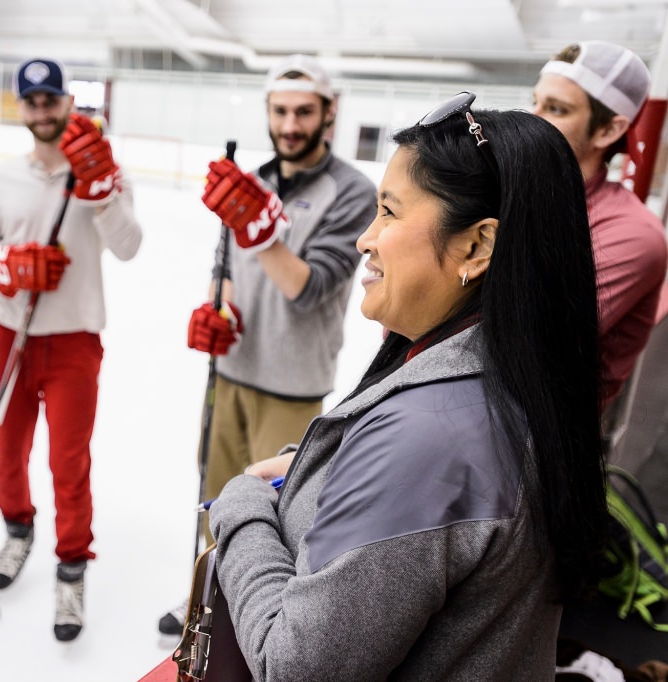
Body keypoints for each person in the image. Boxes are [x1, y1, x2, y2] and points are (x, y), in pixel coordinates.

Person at [206, 96, 608, 679]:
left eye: (390, 213)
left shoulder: (432, 438)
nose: (365, 240)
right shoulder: (494, 370)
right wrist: (327, 467)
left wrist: (240, 500)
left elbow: (293, 667)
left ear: (477, 246)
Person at [160, 53, 377, 634]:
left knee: (276, 518)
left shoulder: (353, 192)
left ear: (329, 114)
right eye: (279, 111)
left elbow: (309, 289)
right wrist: (216, 307)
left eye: (304, 111)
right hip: (230, 371)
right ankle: (202, 604)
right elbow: (223, 264)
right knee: (214, 497)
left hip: (292, 383)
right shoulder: (251, 180)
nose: (290, 124)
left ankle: (252, 623)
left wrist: (259, 230)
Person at [0, 57, 141, 642]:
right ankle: (18, 531)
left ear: (68, 103)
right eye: (32, 100)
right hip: (8, 334)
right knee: (8, 449)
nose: (42, 109)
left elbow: (130, 246)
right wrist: (5, 268)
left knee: (69, 460)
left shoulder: (102, 172)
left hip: (73, 342)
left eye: (51, 99)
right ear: (22, 107)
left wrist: (101, 193)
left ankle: (71, 566)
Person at [532, 41, 667, 411]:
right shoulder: (517, 194)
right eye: (535, 103)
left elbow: (522, 341)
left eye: (556, 109)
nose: (533, 120)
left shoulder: (633, 235)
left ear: (609, 130)